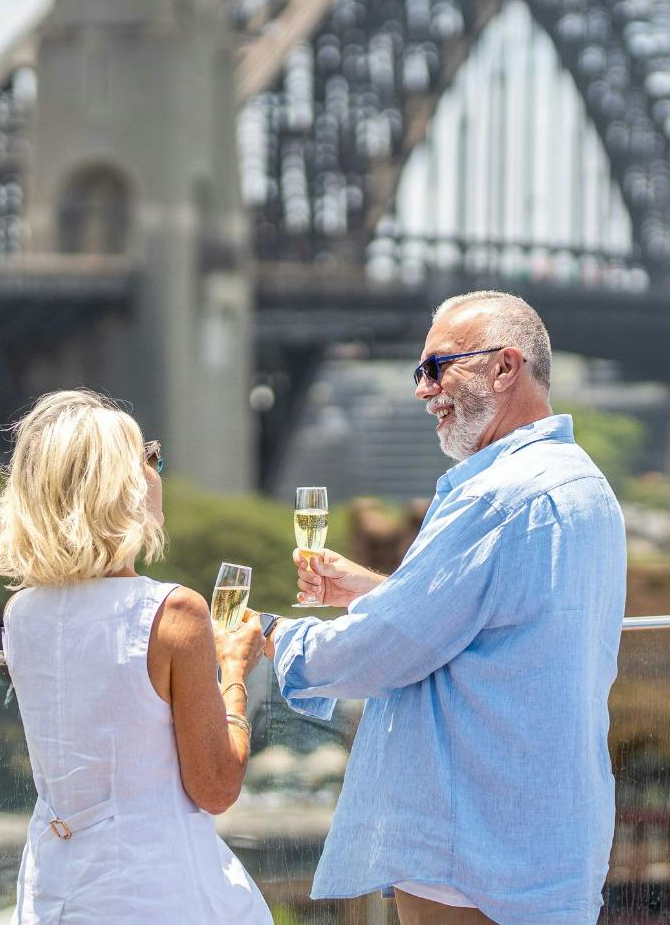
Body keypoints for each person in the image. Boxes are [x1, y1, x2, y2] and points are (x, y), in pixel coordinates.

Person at [267, 291, 627, 925]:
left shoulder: (495, 495)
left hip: (473, 851)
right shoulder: (585, 486)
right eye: (418, 372)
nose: (422, 389)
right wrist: (381, 591)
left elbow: (380, 652)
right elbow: (503, 622)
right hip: (553, 841)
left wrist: (270, 635)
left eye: (437, 367)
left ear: (503, 366)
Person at [0, 389, 272, 925]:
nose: (158, 473)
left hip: (55, 886)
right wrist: (233, 672)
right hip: (155, 888)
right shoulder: (172, 612)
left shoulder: (21, 614)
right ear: (121, 484)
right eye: (149, 458)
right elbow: (216, 786)